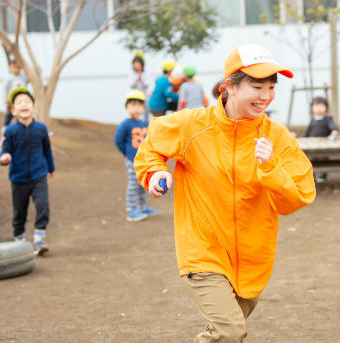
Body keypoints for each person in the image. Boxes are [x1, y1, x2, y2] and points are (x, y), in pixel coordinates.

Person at [134, 44, 316, 342]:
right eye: (257, 86)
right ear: (229, 86)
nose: (266, 96)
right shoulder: (192, 126)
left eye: (271, 87)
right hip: (202, 251)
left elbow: (298, 196)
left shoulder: (277, 138)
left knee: (221, 334)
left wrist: (270, 166)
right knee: (231, 331)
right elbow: (151, 144)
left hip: (253, 259)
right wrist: (154, 172)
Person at [0, 87, 55, 256]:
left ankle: (39, 238)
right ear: (13, 110)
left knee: (43, 205)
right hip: (18, 178)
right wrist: (4, 157)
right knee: (19, 211)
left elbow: (47, 150)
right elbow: (4, 150)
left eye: (27, 102)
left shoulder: (41, 128)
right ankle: (19, 239)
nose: (24, 104)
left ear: (34, 108)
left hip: (39, 175)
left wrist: (51, 168)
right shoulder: (10, 131)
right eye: (19, 103)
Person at [114, 89, 159, 222]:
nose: (136, 108)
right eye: (132, 105)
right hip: (131, 161)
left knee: (142, 184)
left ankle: (143, 206)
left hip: (143, 161)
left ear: (143, 108)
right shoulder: (125, 124)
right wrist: (126, 154)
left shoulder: (144, 123)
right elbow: (118, 141)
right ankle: (131, 210)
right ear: (126, 107)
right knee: (133, 185)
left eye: (139, 105)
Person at [304, 96, 339, 183]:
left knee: (323, 159)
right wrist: (305, 139)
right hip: (311, 145)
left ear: (326, 107)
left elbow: (334, 129)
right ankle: (311, 177)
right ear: (312, 108)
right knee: (310, 160)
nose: (319, 108)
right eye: (316, 106)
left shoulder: (328, 118)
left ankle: (323, 176)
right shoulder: (313, 120)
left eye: (321, 106)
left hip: (323, 145)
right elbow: (308, 131)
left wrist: (333, 135)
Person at [2, 59, 29, 130]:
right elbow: (5, 90)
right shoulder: (9, 78)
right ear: (10, 68)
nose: (16, 69)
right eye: (14, 68)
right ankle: (5, 127)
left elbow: (29, 80)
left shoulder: (23, 76)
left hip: (22, 99)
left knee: (20, 113)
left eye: (18, 67)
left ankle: (20, 127)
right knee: (10, 114)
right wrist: (6, 100)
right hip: (12, 100)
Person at [128, 52, 150, 120]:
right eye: (135, 64)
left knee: (145, 114)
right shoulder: (132, 74)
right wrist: (137, 79)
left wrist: (141, 80)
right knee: (134, 113)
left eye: (138, 64)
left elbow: (147, 85)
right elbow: (131, 85)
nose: (136, 66)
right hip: (135, 97)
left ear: (142, 65)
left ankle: (146, 126)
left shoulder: (145, 73)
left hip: (144, 97)